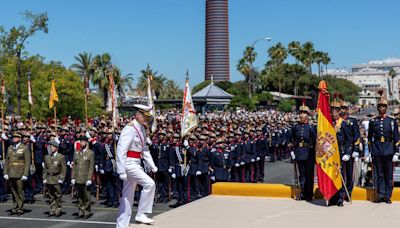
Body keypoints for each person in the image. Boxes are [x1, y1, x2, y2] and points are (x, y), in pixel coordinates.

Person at [116, 104, 157, 227]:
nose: (146, 119)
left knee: (127, 196)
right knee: (150, 184)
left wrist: (152, 164)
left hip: (136, 163)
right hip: (129, 164)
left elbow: (144, 150)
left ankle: (121, 224)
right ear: (138, 115)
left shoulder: (141, 129)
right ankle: (141, 214)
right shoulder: (129, 128)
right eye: (145, 116)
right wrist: (121, 170)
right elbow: (121, 149)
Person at [368, 94, 399, 203]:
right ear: (377, 108)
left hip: (389, 149)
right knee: (379, 174)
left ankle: (387, 195)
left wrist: (396, 153)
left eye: (383, 106)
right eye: (380, 106)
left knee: (388, 174)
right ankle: (380, 194)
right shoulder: (373, 121)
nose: (381, 108)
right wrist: (370, 151)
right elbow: (370, 137)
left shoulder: (391, 121)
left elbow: (396, 138)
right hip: (377, 149)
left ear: (386, 108)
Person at [289, 104, 316, 201]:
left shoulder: (311, 127)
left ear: (307, 116)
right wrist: (292, 151)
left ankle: (309, 194)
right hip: (299, 152)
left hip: (309, 152)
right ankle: (303, 192)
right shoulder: (295, 127)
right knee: (302, 174)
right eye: (300, 113)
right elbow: (290, 140)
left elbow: (315, 140)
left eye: (304, 114)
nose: (302, 115)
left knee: (309, 174)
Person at [3, 132, 31, 215]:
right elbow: (7, 161)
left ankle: (20, 208)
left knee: (20, 191)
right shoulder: (10, 148)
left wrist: (25, 174)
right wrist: (5, 172)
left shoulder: (25, 148)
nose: (13, 138)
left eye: (15, 137)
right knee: (13, 192)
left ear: (20, 138)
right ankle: (15, 207)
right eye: (13, 137)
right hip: (11, 173)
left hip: (20, 173)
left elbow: (27, 162)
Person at [71, 136, 95, 219]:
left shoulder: (90, 153)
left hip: (85, 178)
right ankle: (81, 211)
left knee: (87, 196)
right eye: (81, 141)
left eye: (83, 141)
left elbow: (91, 167)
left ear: (86, 143)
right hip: (78, 177)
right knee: (79, 196)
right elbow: (74, 166)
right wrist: (72, 177)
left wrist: (89, 178)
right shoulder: (76, 153)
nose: (82, 143)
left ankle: (87, 212)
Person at [43, 140, 67, 217]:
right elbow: (45, 169)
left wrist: (61, 178)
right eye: (50, 146)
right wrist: (44, 178)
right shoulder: (47, 157)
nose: (51, 147)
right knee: (51, 195)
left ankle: (58, 209)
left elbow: (63, 169)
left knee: (58, 195)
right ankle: (52, 209)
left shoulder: (60, 157)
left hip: (57, 178)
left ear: (56, 148)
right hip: (49, 178)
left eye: (52, 146)